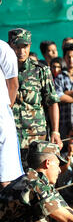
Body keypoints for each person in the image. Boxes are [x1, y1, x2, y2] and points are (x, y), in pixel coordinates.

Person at [8, 28, 62, 169]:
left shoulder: (40, 70)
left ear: (30, 46)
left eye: (24, 47)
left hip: (36, 139)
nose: (21, 51)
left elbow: (52, 102)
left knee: (36, 179)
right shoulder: (3, 70)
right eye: (17, 47)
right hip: (10, 137)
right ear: (9, 46)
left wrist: (55, 131)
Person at [0, 39, 24, 189]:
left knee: (5, 177)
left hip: (2, 116)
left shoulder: (3, 48)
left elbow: (13, 84)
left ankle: (8, 211)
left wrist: (4, 109)